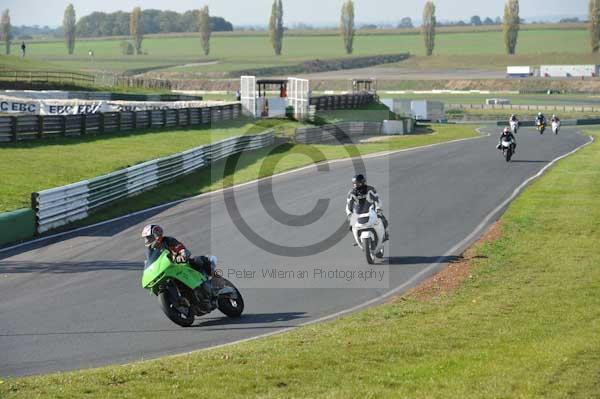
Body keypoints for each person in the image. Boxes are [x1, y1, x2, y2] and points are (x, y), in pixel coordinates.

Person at [141, 224, 216, 277]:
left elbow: (181, 249)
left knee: (198, 261)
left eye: (149, 237)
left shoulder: (168, 240)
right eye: (146, 238)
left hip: (180, 264)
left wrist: (182, 255)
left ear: (157, 234)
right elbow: (149, 263)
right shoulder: (150, 250)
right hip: (166, 270)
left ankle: (216, 281)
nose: (147, 240)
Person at [346, 174, 389, 242]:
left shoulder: (370, 189)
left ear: (363, 182)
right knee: (351, 226)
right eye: (354, 184)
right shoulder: (351, 193)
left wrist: (378, 209)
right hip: (357, 211)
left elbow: (377, 200)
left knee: (383, 219)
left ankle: (386, 233)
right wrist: (349, 214)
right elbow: (348, 205)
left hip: (370, 208)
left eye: (358, 183)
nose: (356, 185)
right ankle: (358, 239)